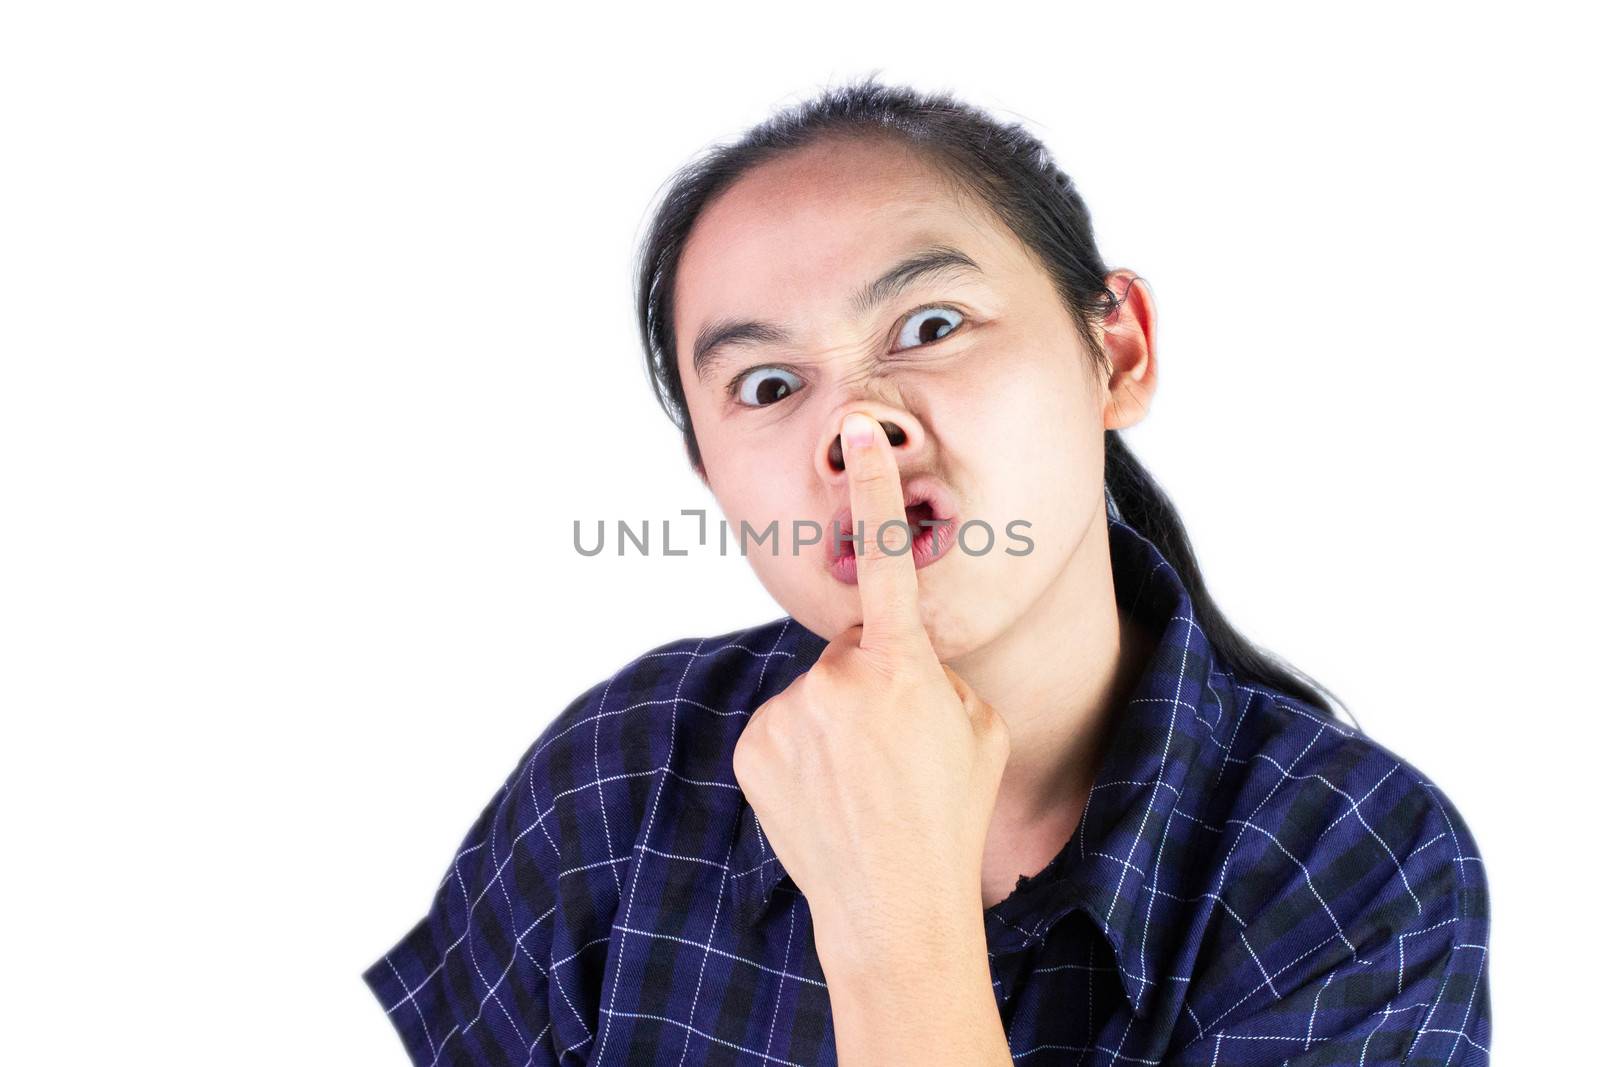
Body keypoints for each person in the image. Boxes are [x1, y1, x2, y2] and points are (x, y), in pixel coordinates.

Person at [362, 75, 1490, 1066]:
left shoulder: (1352, 865)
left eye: (931, 323)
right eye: (764, 385)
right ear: (712, 478)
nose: (858, 429)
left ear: (1118, 352)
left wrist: (895, 921)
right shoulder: (618, 774)